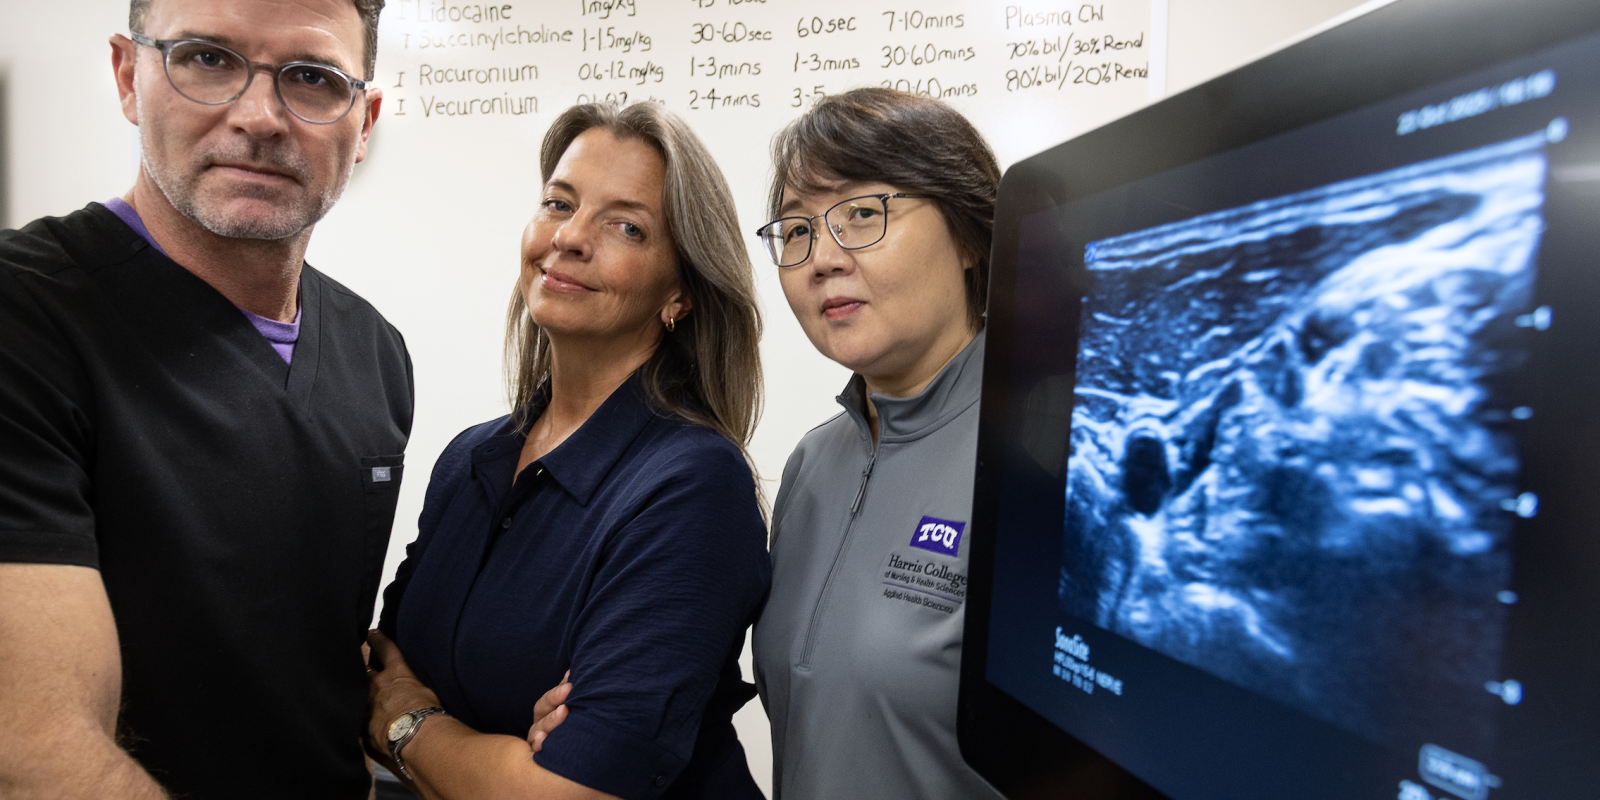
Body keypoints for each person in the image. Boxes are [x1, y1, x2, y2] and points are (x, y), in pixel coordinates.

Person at [0, 0, 407, 798]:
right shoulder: (27, 317)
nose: (259, 117)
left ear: (364, 125)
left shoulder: (375, 352)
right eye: (208, 59)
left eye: (314, 77)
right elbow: (34, 754)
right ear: (129, 74)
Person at [364, 101, 770, 800]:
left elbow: (569, 792)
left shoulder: (693, 486)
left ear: (679, 293)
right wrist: (478, 754)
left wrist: (410, 726)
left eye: (627, 226)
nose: (571, 237)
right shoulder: (470, 461)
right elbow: (379, 668)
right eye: (559, 202)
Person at [750, 88, 1007, 799]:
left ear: (968, 237)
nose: (821, 258)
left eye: (863, 213)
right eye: (796, 232)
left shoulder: (1045, 460)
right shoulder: (812, 463)